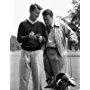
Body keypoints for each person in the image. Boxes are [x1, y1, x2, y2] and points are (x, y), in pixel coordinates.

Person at [42, 9, 78, 88]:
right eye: (44, 19)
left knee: (61, 78)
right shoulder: (43, 27)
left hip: (58, 53)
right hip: (46, 53)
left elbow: (71, 33)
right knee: (50, 78)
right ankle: (65, 80)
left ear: (52, 17)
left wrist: (72, 38)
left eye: (47, 19)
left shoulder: (61, 25)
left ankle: (67, 80)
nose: (45, 21)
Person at [17, 4, 46, 90]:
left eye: (39, 14)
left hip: (37, 53)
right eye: (36, 13)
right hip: (24, 52)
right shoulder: (22, 24)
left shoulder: (41, 25)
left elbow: (45, 38)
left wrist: (42, 39)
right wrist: (27, 37)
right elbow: (19, 39)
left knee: (37, 77)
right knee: (23, 78)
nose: (38, 15)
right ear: (30, 11)